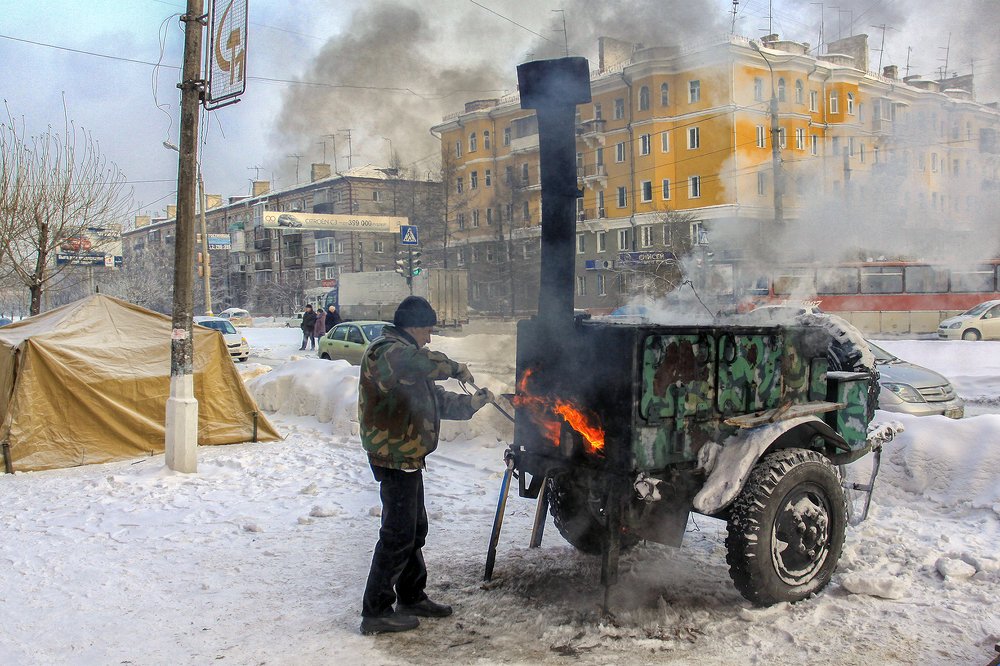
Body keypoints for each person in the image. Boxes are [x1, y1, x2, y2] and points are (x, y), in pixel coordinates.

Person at [358, 296, 494, 635]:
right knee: (398, 533)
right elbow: (423, 363)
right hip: (394, 455)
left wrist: (471, 404)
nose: (429, 338)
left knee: (414, 529)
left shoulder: (405, 356)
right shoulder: (386, 352)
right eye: (427, 331)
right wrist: (456, 367)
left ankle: (411, 595)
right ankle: (375, 611)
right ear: (412, 326)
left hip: (408, 455)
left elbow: (430, 399)